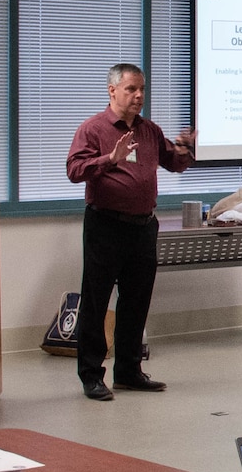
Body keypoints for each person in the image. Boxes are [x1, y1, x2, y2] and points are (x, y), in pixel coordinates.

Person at [65, 62, 194, 401]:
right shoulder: (93, 129)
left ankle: (128, 371)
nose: (138, 96)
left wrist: (185, 149)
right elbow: (74, 170)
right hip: (105, 224)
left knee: (136, 302)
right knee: (96, 302)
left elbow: (173, 162)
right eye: (131, 90)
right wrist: (110, 158)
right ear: (112, 91)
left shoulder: (149, 130)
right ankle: (92, 376)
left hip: (142, 227)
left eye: (142, 90)